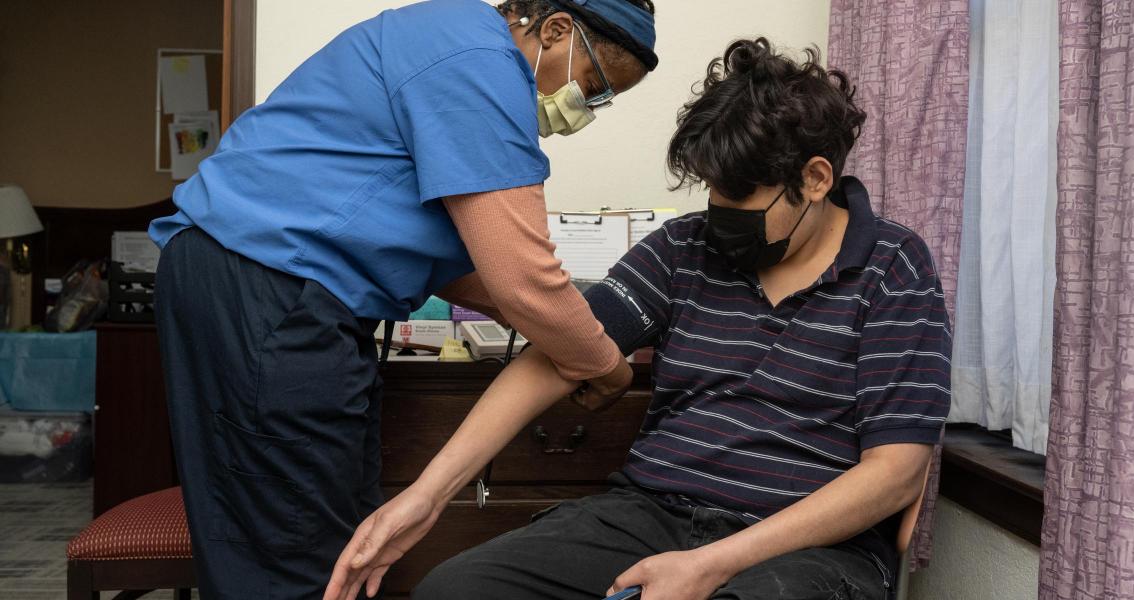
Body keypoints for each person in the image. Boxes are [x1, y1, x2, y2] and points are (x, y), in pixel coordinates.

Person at [335, 39, 952, 600]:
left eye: (740, 199)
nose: (719, 213)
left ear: (815, 179)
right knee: (457, 590)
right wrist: (426, 495)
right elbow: (558, 356)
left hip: (809, 546)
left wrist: (712, 563)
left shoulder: (894, 266)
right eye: (712, 192)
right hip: (653, 512)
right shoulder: (684, 248)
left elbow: (895, 476)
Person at [149, 0, 659, 597]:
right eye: (593, 84)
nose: (588, 108)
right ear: (555, 30)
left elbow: (451, 260)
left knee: (328, 532)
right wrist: (605, 366)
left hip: (249, 281)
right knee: (295, 552)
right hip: (269, 294)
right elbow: (522, 278)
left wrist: (554, 313)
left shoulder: (445, 34)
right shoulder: (482, 64)